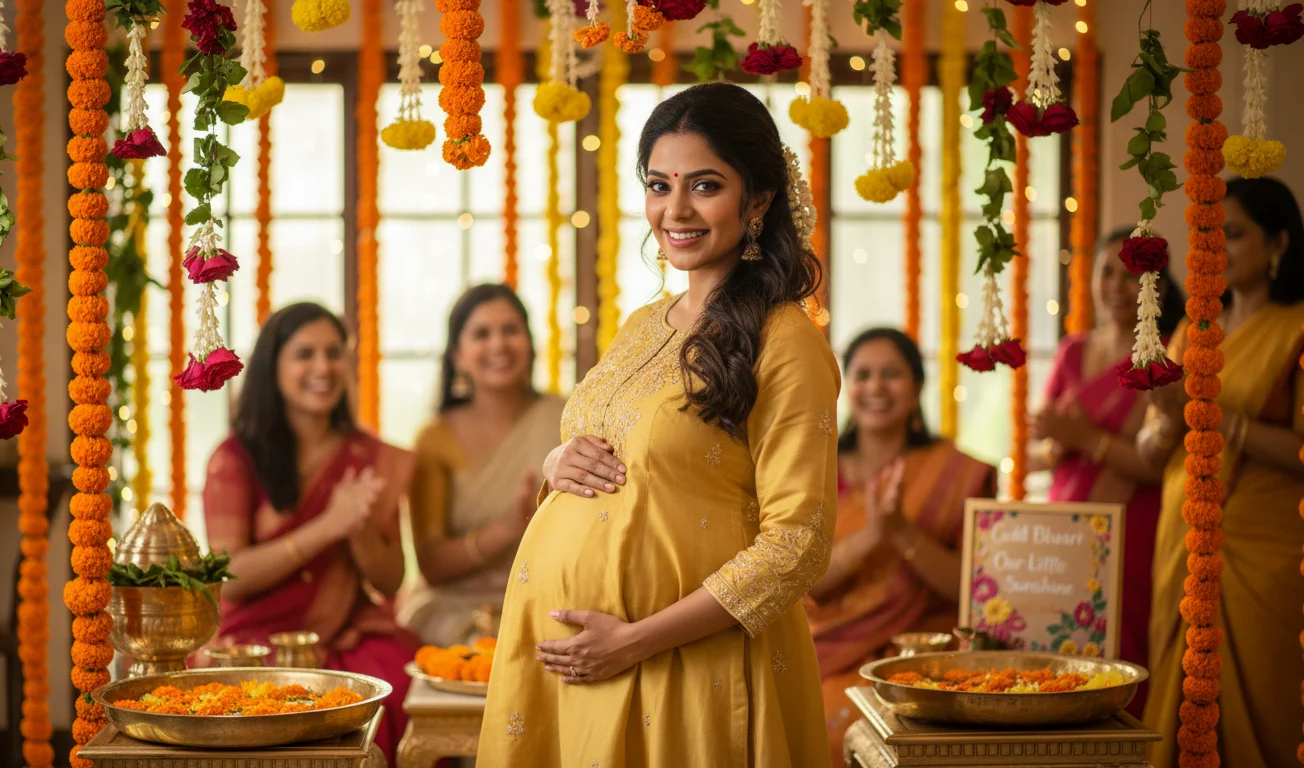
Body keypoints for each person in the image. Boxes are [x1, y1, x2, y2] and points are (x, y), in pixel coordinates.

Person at [477, 82, 837, 767]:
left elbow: (798, 545)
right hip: (579, 672)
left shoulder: (787, 339)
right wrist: (559, 465)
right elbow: (626, 452)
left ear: (757, 200)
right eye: (658, 184)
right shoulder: (646, 324)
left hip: (685, 670)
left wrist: (636, 639)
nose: (675, 210)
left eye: (705, 185)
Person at [202, 302, 419, 760]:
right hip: (256, 643)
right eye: (305, 354)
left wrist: (356, 528)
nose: (323, 366)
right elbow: (231, 576)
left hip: (347, 633)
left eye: (334, 352)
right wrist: (328, 526)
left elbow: (390, 581)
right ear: (273, 367)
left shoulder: (368, 457)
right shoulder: (236, 459)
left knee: (399, 687)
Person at [1137, 177, 1304, 768]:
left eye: (1232, 233)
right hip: (1180, 534)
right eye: (1205, 233)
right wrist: (1162, 422)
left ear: (1279, 242)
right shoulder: (1196, 328)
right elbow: (1158, 446)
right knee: (1179, 691)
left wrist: (1213, 415)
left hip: (1264, 550)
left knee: (1265, 695)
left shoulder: (1297, 330)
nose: (1213, 248)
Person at [805, 327, 996, 766]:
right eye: (862, 374)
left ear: (916, 389)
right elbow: (799, 582)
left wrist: (902, 532)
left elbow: (973, 592)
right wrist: (873, 533)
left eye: (891, 374)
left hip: (927, 650)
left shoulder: (955, 472)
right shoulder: (815, 468)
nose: (875, 386)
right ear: (845, 387)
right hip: (829, 646)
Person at [1026, 227, 1185, 717]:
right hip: (1066, 522)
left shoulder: (1163, 356)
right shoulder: (1074, 349)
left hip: (1133, 526)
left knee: (1124, 651)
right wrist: (1061, 445)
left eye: (1133, 274)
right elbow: (1036, 448)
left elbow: (1154, 464)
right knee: (1061, 653)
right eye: (1107, 272)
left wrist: (1083, 440)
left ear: (1156, 284)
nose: (1118, 285)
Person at [396, 284, 564, 647]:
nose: (498, 345)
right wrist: (507, 528)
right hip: (456, 616)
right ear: (457, 355)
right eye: (481, 334)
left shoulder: (566, 417)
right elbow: (432, 566)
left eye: (510, 330)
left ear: (529, 343)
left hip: (552, 604)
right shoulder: (436, 439)